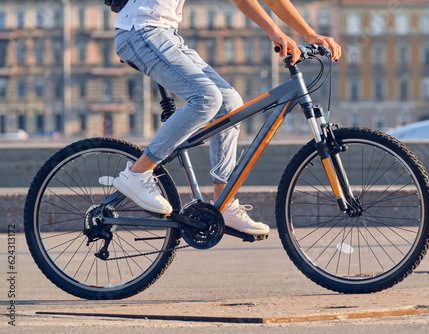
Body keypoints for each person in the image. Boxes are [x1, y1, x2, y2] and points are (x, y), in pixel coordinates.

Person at [112, 0, 342, 236]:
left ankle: (225, 201)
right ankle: (138, 173)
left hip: (166, 34)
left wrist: (310, 34)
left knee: (230, 104)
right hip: (141, 31)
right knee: (207, 99)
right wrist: (275, 31)